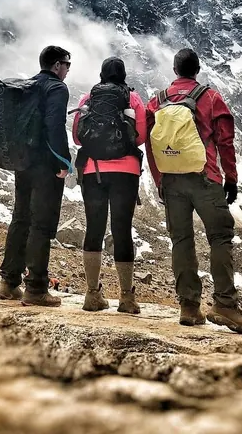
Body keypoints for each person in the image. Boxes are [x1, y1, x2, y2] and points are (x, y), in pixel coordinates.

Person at [146, 48, 242, 333]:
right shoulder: (209, 98)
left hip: (171, 179)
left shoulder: (157, 102)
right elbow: (225, 141)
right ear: (197, 70)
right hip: (204, 177)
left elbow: (150, 142)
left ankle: (189, 306)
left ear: (175, 70)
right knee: (219, 237)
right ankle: (225, 305)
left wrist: (159, 178)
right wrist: (231, 178)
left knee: (181, 240)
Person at [0, 45, 72, 307]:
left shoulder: (27, 87)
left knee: (20, 218)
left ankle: (8, 282)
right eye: (67, 64)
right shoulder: (57, 88)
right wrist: (64, 161)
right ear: (56, 65)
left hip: (23, 163)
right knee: (41, 223)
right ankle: (37, 288)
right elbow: (54, 126)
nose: (67, 70)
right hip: (44, 165)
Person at [72, 57, 146, 314]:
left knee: (94, 227)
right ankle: (126, 298)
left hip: (93, 170)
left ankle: (92, 294)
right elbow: (142, 135)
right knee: (122, 230)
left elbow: (77, 137)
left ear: (101, 74)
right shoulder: (132, 99)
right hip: (125, 173)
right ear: (123, 75)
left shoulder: (87, 99)